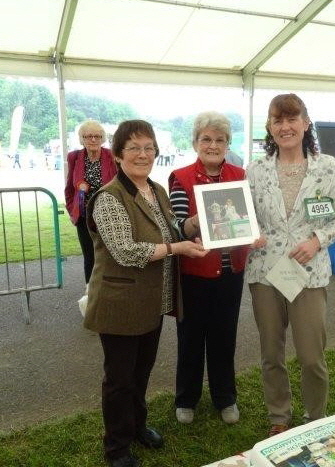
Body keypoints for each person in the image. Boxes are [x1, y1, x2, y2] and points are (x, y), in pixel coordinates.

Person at [83, 120, 208, 467]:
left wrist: (196, 224)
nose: (143, 154)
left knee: (141, 373)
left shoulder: (156, 190)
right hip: (120, 304)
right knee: (119, 380)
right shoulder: (108, 197)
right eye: (134, 147)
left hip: (152, 302)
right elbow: (126, 251)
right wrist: (177, 247)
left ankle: (137, 426)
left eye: (149, 147)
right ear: (118, 154)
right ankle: (117, 448)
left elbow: (171, 227)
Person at [246, 94, 335, 437]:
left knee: (311, 357)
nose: (285, 126)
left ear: (306, 123)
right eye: (278, 120)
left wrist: (317, 240)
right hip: (265, 273)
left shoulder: (328, 167)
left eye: (292, 119)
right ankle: (279, 416)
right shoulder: (256, 169)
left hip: (309, 274)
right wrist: (249, 233)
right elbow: (244, 218)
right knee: (271, 353)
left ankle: (315, 416)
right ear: (270, 127)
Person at [168, 111, 249, 425]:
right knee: (190, 337)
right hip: (195, 272)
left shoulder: (240, 174)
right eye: (206, 139)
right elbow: (176, 229)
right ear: (195, 142)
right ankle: (186, 398)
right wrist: (196, 221)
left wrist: (249, 232)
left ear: (228, 144)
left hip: (231, 272)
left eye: (219, 140)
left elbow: (247, 218)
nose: (213, 145)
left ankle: (224, 397)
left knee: (224, 335)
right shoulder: (182, 176)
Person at [64, 120, 117, 287]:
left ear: (102, 139)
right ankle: (90, 294)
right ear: (82, 139)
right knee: (89, 256)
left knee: (111, 255)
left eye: (97, 136)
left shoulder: (112, 156)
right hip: (84, 216)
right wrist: (73, 211)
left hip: (108, 214)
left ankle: (109, 292)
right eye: (88, 136)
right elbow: (69, 189)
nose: (93, 140)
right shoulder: (74, 157)